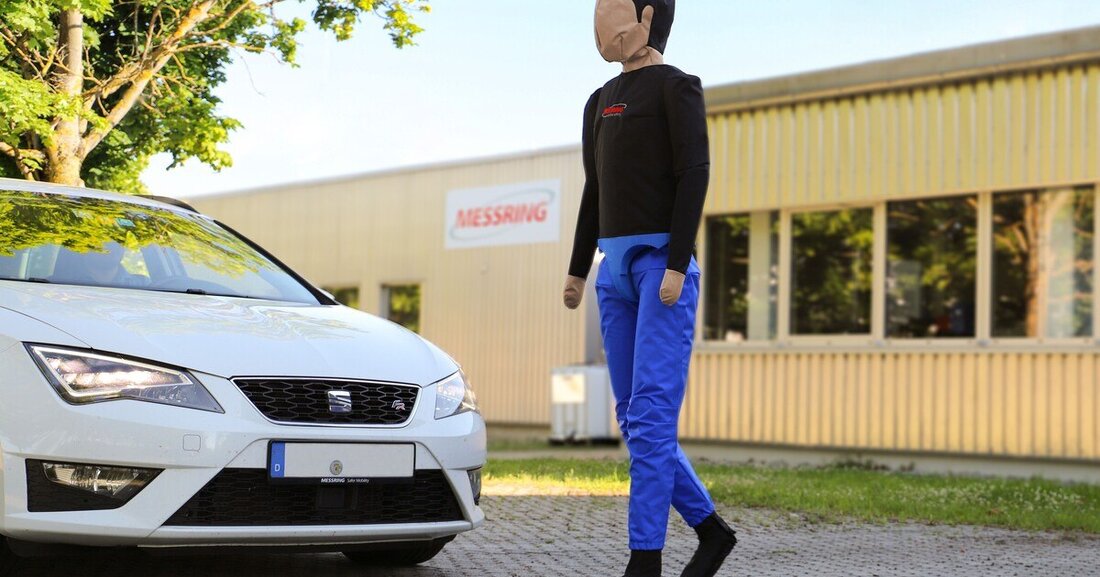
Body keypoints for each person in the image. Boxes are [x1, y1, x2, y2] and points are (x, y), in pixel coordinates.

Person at [562, 2, 737, 576]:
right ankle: (711, 533)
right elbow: (596, 187)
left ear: (645, 14)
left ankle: (645, 559)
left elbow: (695, 173)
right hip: (614, 272)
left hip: (662, 266)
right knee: (635, 420)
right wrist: (578, 267)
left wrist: (679, 259)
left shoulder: (677, 88)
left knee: (654, 416)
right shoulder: (598, 102)